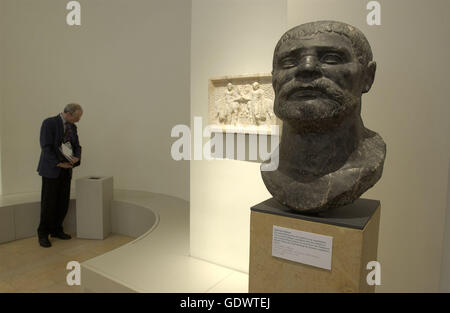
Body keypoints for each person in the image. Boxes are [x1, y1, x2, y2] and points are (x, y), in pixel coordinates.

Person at [261, 21, 386, 213]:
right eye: (288, 62)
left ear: (367, 77)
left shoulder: (367, 163)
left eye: (332, 58)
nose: (306, 68)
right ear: (273, 79)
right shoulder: (271, 168)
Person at [37, 103, 83, 247]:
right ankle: (43, 234)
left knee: (62, 203)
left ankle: (57, 230)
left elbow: (77, 146)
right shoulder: (49, 123)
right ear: (68, 114)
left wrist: (77, 158)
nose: (78, 120)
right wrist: (58, 163)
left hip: (66, 170)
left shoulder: (72, 127)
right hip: (52, 170)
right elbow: (46, 147)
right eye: (77, 117)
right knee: (48, 203)